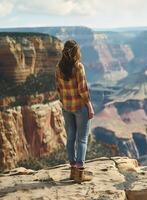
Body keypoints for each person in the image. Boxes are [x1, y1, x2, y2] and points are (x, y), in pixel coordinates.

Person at [55, 40, 94, 183]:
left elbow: (58, 88)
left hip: (66, 107)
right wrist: (89, 106)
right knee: (82, 139)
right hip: (79, 107)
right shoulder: (78, 67)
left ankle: (72, 170)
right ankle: (80, 172)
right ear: (76, 51)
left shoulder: (59, 67)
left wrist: (64, 103)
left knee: (70, 137)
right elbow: (83, 90)